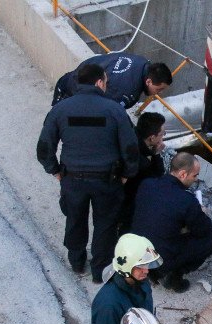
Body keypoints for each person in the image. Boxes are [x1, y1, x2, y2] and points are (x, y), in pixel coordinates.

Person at [37, 63, 139, 283]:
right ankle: (100, 271)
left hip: (72, 179)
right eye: (106, 82)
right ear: (99, 82)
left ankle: (76, 261)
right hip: (107, 181)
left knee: (75, 218)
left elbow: (44, 148)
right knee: (105, 225)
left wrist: (55, 170)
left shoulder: (60, 109)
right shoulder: (115, 110)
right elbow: (131, 149)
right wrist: (127, 174)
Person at [132, 152, 212, 292]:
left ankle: (152, 271)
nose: (196, 180)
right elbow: (204, 230)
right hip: (162, 257)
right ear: (182, 174)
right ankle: (173, 275)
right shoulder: (186, 200)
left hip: (138, 250)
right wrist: (201, 213)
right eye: (195, 175)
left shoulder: (147, 184)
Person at [91, 233, 162, 324]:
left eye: (146, 264)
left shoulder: (142, 284)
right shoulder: (108, 305)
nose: (146, 270)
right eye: (140, 266)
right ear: (126, 266)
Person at [53, 53, 173, 108]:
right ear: (148, 82)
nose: (160, 93)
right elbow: (106, 111)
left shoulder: (141, 62)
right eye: (159, 89)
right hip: (71, 91)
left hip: (72, 77)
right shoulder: (127, 91)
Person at [118, 112, 167, 235]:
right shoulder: (142, 163)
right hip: (127, 204)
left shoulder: (130, 137)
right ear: (152, 138)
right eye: (162, 134)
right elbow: (157, 177)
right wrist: (156, 154)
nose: (163, 137)